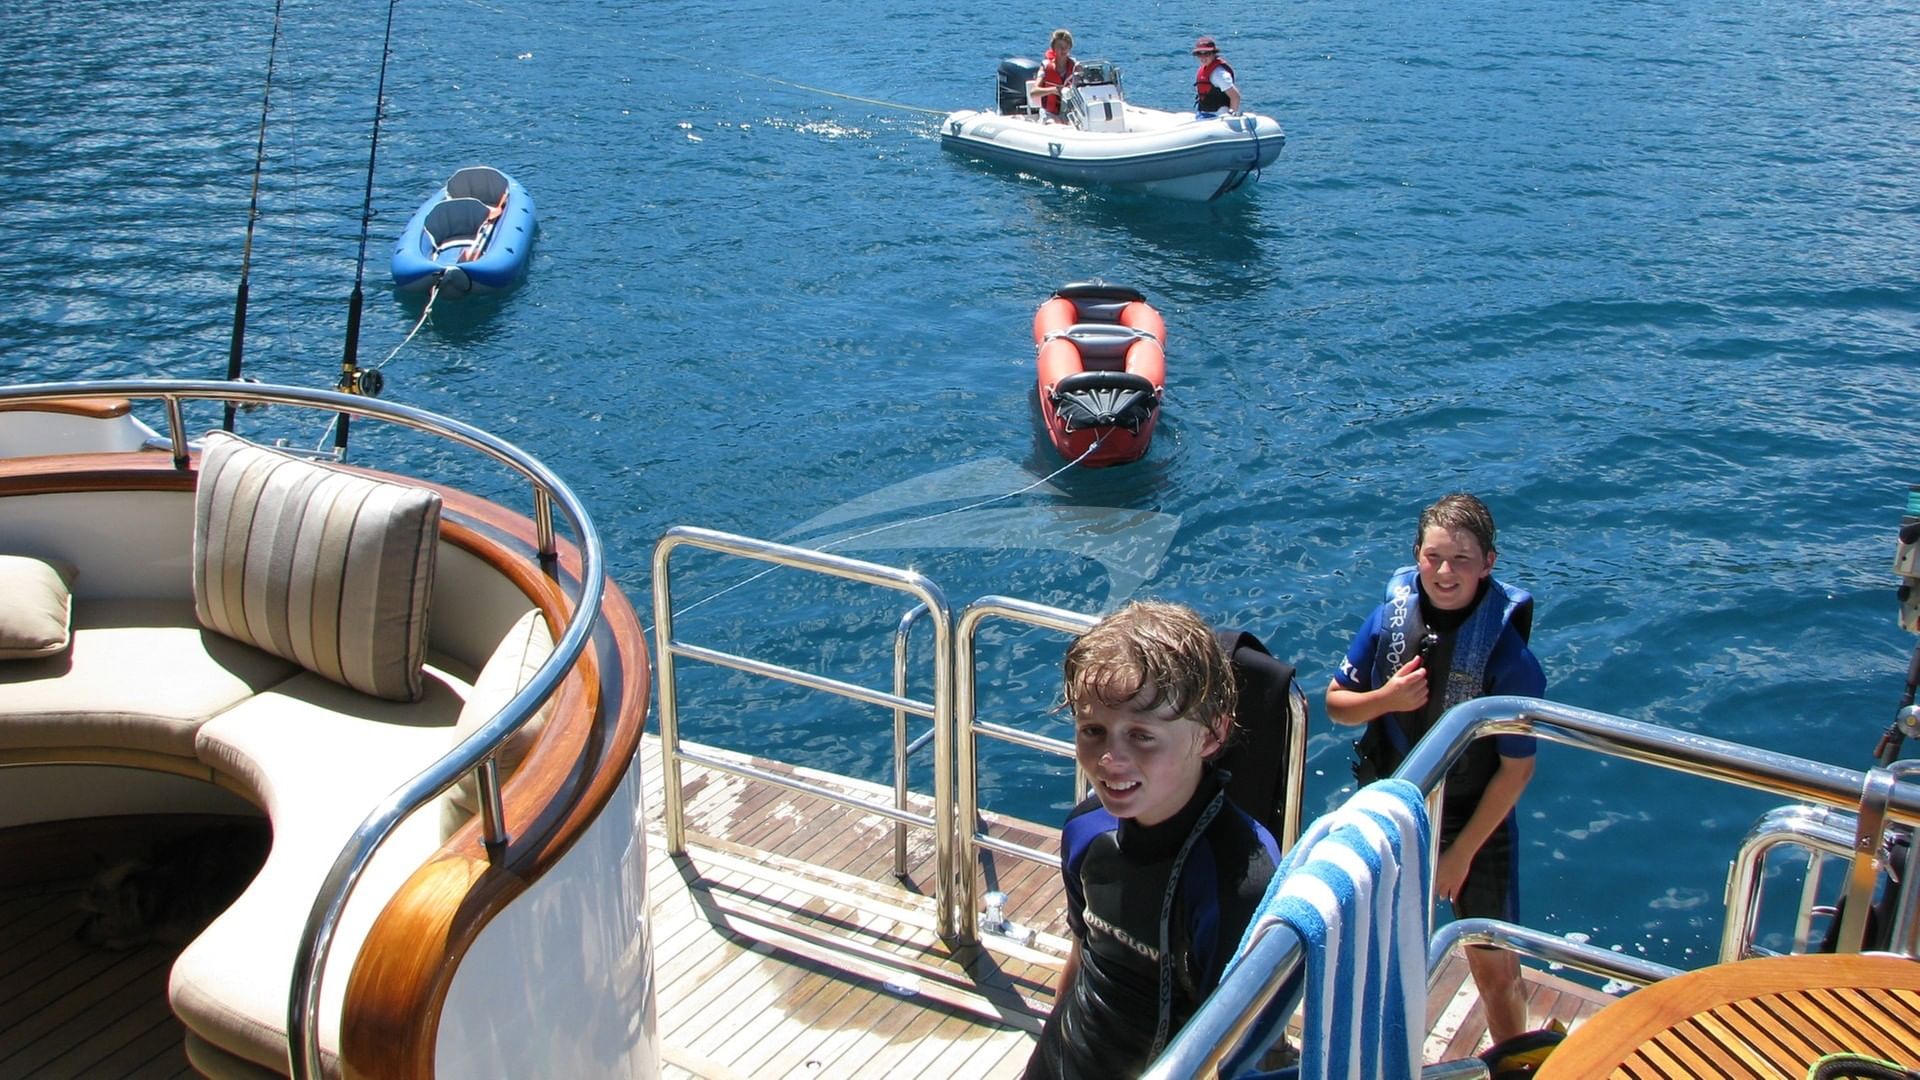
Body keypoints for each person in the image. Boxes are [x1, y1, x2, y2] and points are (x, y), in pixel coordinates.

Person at [1025, 601, 1280, 1080]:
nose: (1109, 760)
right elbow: (1085, 951)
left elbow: (1240, 1043)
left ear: (1211, 736)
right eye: (1093, 731)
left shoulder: (1239, 881)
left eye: (1142, 736)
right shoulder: (1085, 831)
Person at [1324, 493, 1544, 1046]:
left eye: (1462, 560)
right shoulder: (1388, 619)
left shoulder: (1507, 654)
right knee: (1373, 948)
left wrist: (1459, 854)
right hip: (1394, 809)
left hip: (1475, 823)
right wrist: (1387, 699)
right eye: (1433, 557)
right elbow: (1335, 704)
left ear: (1489, 563)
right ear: (1416, 556)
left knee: (1493, 964)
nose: (1445, 573)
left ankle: (1515, 1058)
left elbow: (1516, 773)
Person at [1032, 28, 1076, 120]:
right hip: (1049, 113)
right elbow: (1033, 93)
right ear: (1053, 48)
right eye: (1060, 46)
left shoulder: (1075, 67)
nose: (1063, 49)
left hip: (1070, 113)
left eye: (1066, 46)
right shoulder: (1045, 66)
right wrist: (1053, 90)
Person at [1191, 35, 1241, 116]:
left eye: (1207, 53)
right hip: (1204, 114)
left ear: (1214, 53)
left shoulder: (1219, 74)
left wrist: (1231, 116)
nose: (1203, 57)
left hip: (1218, 117)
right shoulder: (1204, 68)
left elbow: (1235, 96)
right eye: (1199, 54)